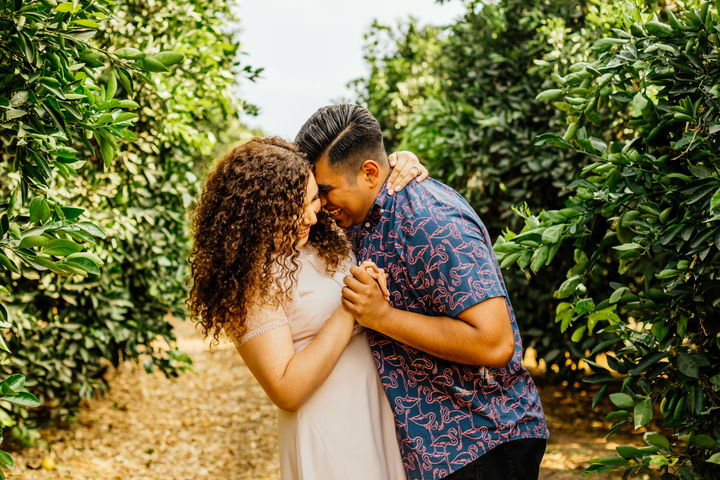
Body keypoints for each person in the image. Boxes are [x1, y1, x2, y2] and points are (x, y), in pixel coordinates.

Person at [295, 104, 549, 480]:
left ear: (369, 172)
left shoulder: (431, 219)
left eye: (326, 191)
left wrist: (382, 317)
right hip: (438, 450)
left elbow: (495, 343)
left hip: (482, 439)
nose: (320, 205)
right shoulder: (362, 216)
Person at [186, 137, 426, 479]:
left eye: (313, 198)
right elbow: (286, 390)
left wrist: (401, 163)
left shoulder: (325, 235)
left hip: (379, 410)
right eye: (291, 209)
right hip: (328, 429)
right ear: (257, 213)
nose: (310, 215)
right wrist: (350, 309)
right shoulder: (247, 278)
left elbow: (364, 183)